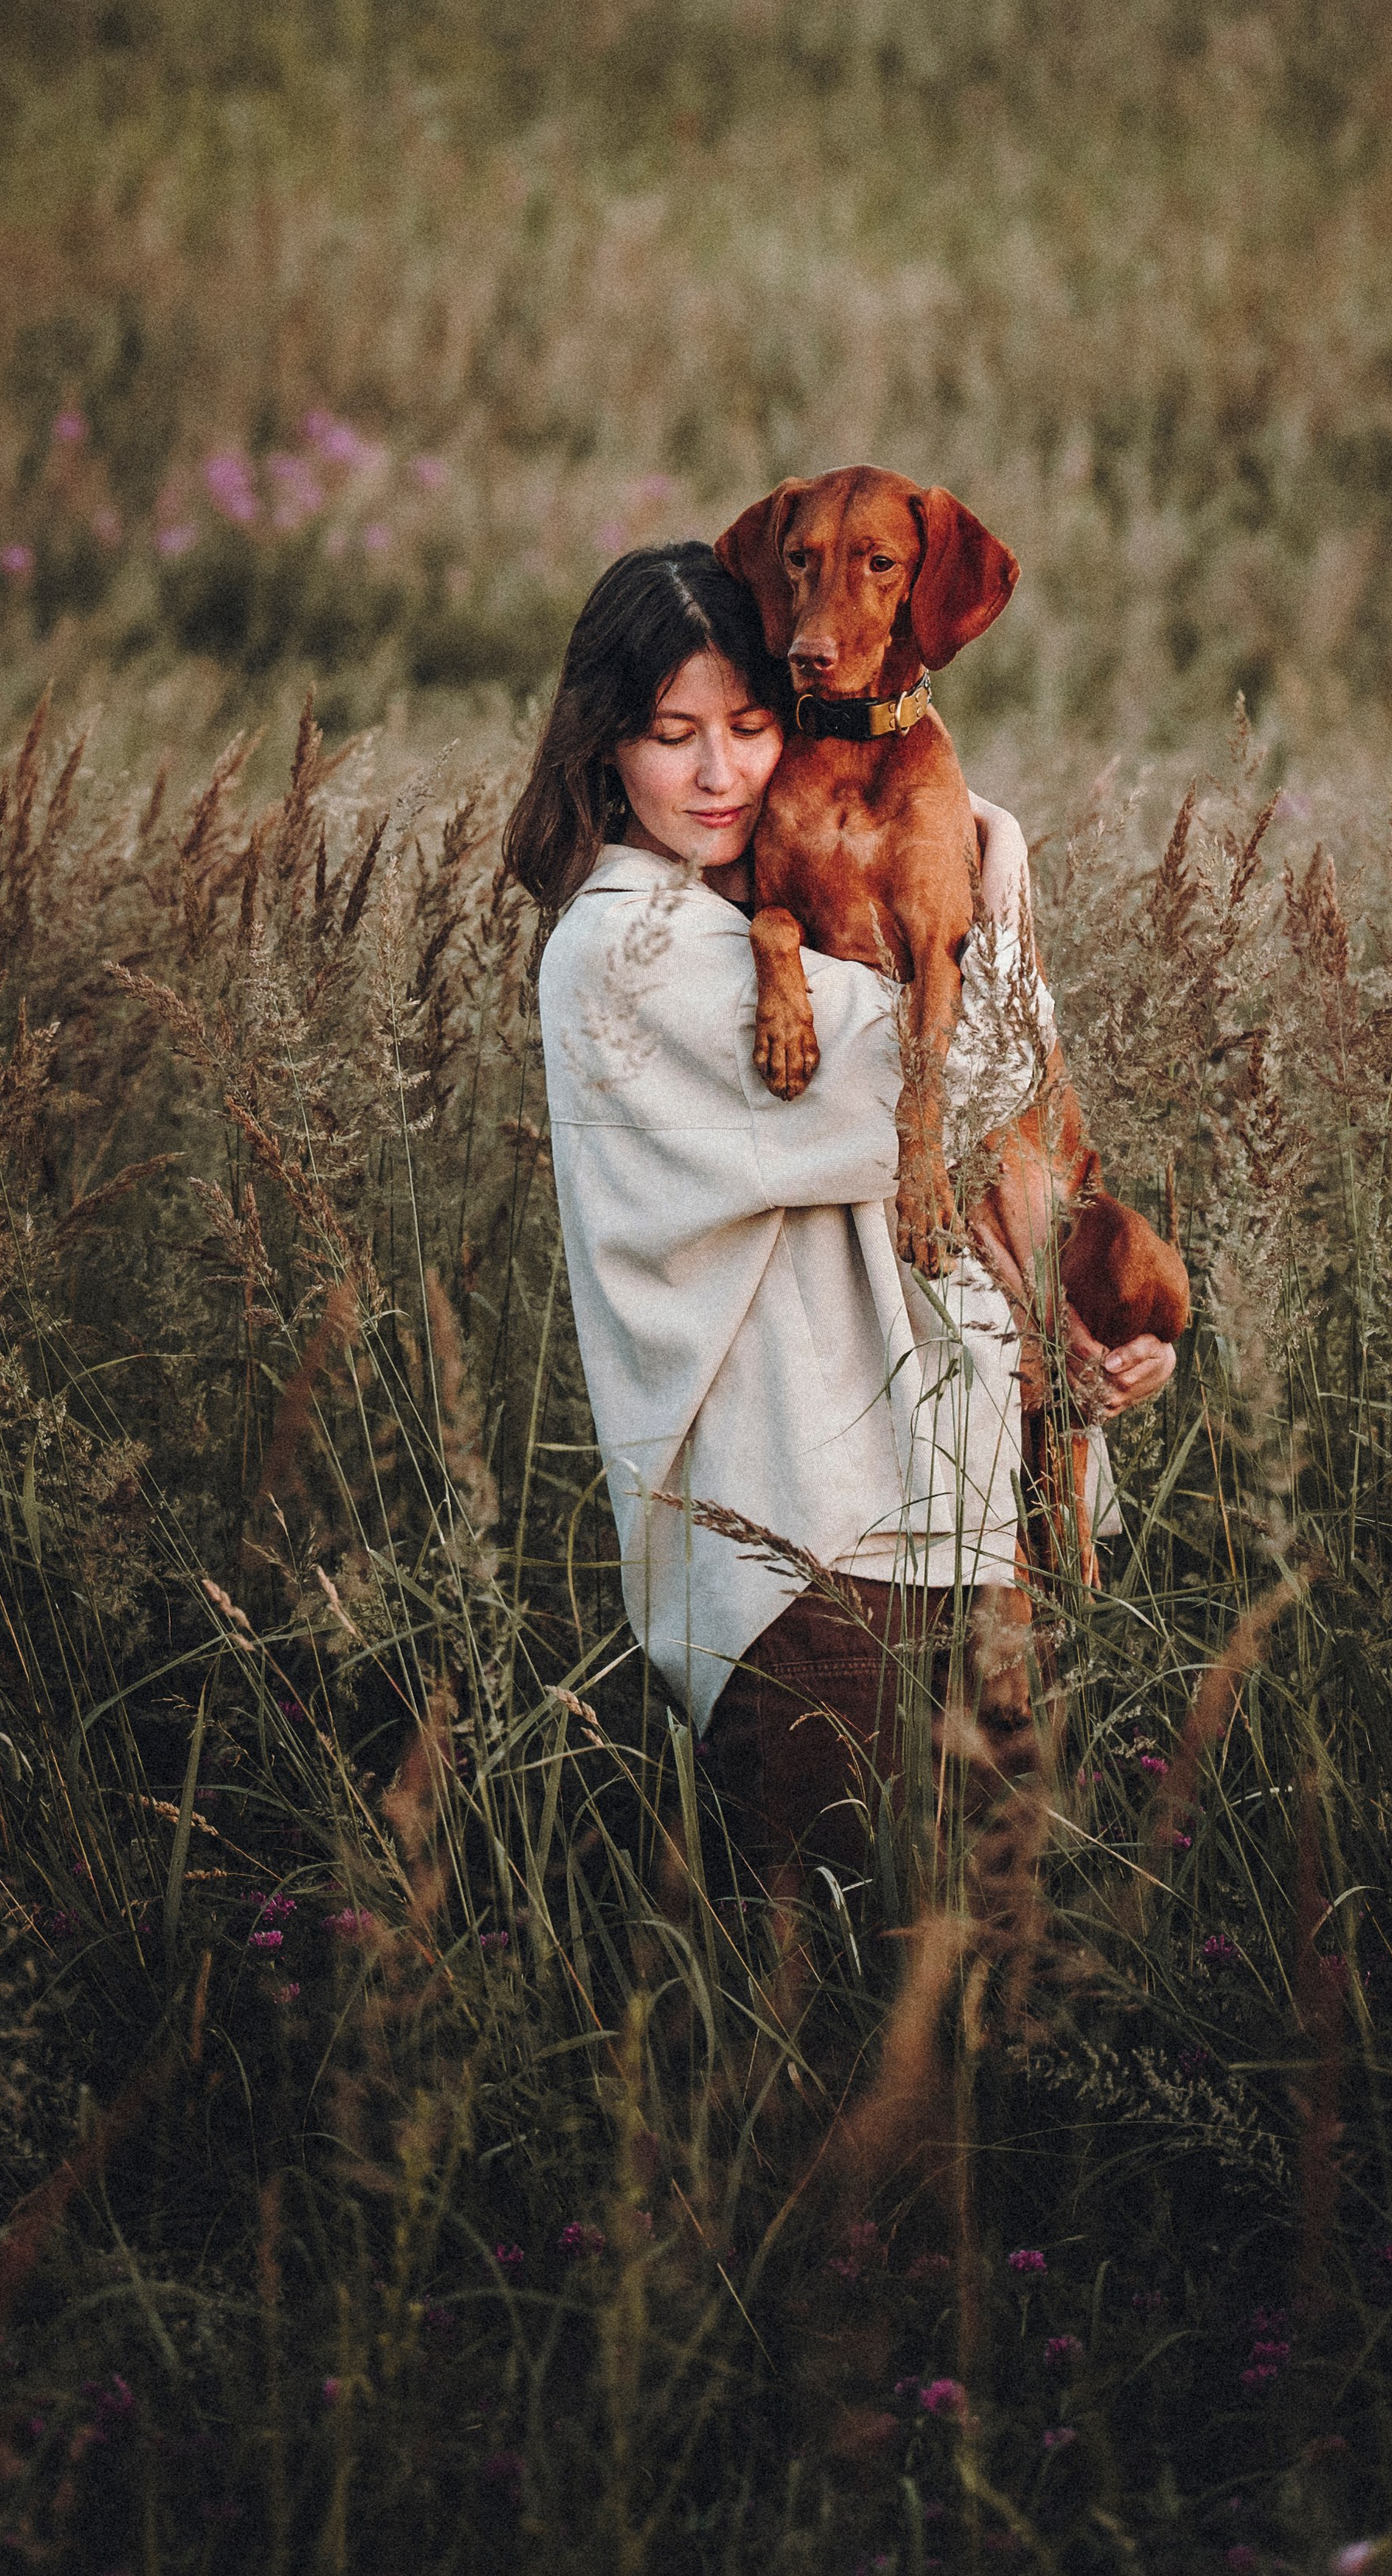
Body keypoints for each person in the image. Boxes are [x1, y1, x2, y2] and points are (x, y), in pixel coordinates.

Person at [503, 542, 1174, 1887]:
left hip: (960, 1514)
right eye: (670, 735)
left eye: (750, 730)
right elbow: (960, 1073)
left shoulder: (797, 924)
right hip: (806, 1551)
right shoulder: (634, 952)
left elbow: (984, 1150)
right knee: (825, 2015)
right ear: (601, 750)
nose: (718, 777)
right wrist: (987, 856)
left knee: (993, 1987)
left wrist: (1078, 1349)